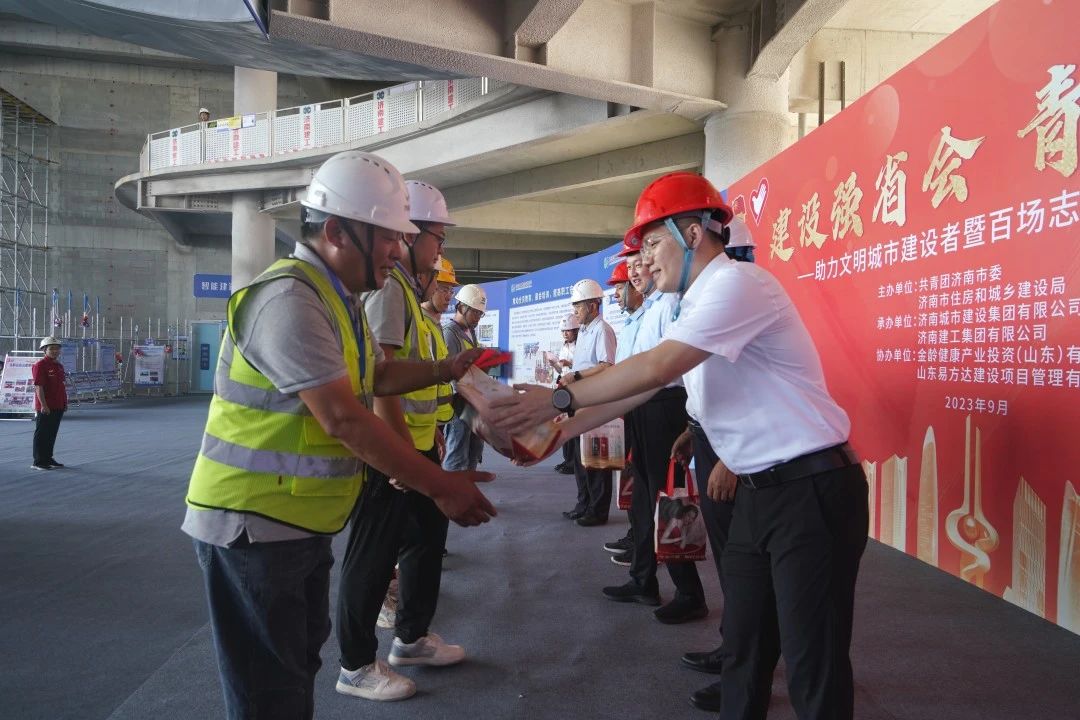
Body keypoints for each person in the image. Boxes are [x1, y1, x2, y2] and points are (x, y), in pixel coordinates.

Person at [489, 171, 867, 720]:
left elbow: (657, 367)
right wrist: (557, 432)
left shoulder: (738, 284)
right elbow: (641, 387)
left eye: (651, 245)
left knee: (814, 660)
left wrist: (559, 400)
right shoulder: (694, 304)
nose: (643, 263)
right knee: (744, 647)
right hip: (759, 494)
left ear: (692, 234)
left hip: (810, 488)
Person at [183, 150, 496, 720]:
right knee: (269, 690)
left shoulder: (338, 297)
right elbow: (343, 417)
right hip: (252, 524)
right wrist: (438, 484)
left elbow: (376, 375)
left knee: (293, 671)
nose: (398, 250)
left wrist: (444, 368)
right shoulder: (289, 298)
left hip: (296, 521)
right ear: (335, 231)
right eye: (388, 237)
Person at [337, 178, 468, 703]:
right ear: (412, 235)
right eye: (437, 237)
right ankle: (354, 666)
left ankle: (411, 638)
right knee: (373, 556)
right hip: (390, 452)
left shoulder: (410, 297)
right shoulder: (391, 291)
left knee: (425, 540)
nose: (440, 250)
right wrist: (397, 457)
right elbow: (382, 379)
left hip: (415, 447)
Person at [602, 244, 708, 625]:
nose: (635, 272)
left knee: (668, 499)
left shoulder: (669, 306)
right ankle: (643, 579)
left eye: (641, 264)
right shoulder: (644, 311)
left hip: (664, 407)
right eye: (631, 266)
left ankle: (689, 592)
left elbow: (670, 369)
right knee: (644, 501)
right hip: (640, 407)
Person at [561, 277, 617, 526]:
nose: (575, 311)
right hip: (579, 402)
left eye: (578, 305)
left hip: (596, 403)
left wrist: (577, 376)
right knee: (579, 458)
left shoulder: (602, 330)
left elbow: (607, 365)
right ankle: (583, 503)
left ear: (593, 306)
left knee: (596, 459)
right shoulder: (584, 331)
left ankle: (598, 510)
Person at [601, 260, 642, 566]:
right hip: (631, 408)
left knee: (645, 486)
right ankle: (637, 537)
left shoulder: (656, 314)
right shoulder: (630, 323)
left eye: (618, 288)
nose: (615, 295)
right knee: (634, 481)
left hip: (650, 407)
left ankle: (645, 549)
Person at [442, 282, 487, 473]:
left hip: (472, 402)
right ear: (461, 307)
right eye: (475, 312)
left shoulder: (470, 331)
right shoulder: (450, 333)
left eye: (480, 313)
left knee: (473, 451)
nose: (477, 317)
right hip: (458, 404)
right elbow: (450, 373)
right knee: (457, 454)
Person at [31, 336, 67, 470]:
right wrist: (43, 405)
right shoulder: (40, 365)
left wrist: (64, 402)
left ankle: (48, 458)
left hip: (58, 404)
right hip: (46, 406)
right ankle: (38, 461)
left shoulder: (59, 366)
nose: (55, 351)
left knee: (52, 433)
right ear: (44, 350)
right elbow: (38, 387)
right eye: (51, 348)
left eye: (57, 348)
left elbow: (61, 386)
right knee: (42, 433)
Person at [551, 313, 579, 475]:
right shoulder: (564, 346)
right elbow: (561, 370)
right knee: (564, 426)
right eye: (563, 331)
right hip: (564, 388)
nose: (565, 334)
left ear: (575, 330)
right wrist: (554, 364)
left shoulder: (581, 345)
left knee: (574, 427)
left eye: (568, 331)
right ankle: (567, 460)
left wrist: (570, 363)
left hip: (576, 389)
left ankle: (574, 462)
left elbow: (584, 366)